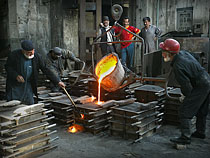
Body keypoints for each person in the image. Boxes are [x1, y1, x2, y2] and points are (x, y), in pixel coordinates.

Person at [159, 38, 210, 144]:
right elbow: (195, 58)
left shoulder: (178, 66)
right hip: (206, 79)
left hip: (200, 85)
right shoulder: (183, 53)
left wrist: (186, 97)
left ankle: (185, 137)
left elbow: (186, 86)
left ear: (170, 53)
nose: (162, 54)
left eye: (164, 52)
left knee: (184, 110)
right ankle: (200, 132)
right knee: (201, 109)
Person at [5, 40, 65, 105]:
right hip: (15, 86)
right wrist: (16, 75)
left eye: (32, 51)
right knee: (14, 107)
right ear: (23, 51)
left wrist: (57, 81)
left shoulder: (37, 57)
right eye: (29, 52)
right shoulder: (14, 55)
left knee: (29, 105)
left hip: (28, 85)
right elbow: (8, 67)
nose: (31, 53)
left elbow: (45, 69)